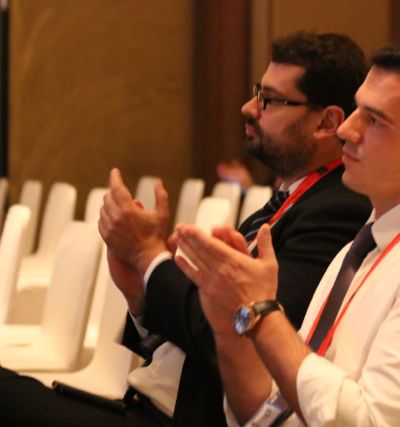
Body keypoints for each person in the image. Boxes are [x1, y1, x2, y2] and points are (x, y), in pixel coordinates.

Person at [0, 32, 371, 426]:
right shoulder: (289, 201)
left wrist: (149, 257)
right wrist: (140, 295)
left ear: (327, 122)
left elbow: (237, 334)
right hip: (143, 404)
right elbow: (203, 323)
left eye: (269, 100)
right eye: (256, 93)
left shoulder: (336, 212)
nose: (248, 108)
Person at [174, 36, 400, 427]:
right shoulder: (365, 245)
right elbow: (271, 410)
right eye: (357, 110)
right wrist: (229, 328)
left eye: (375, 120)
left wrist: (261, 312)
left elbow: (373, 423)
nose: (346, 130)